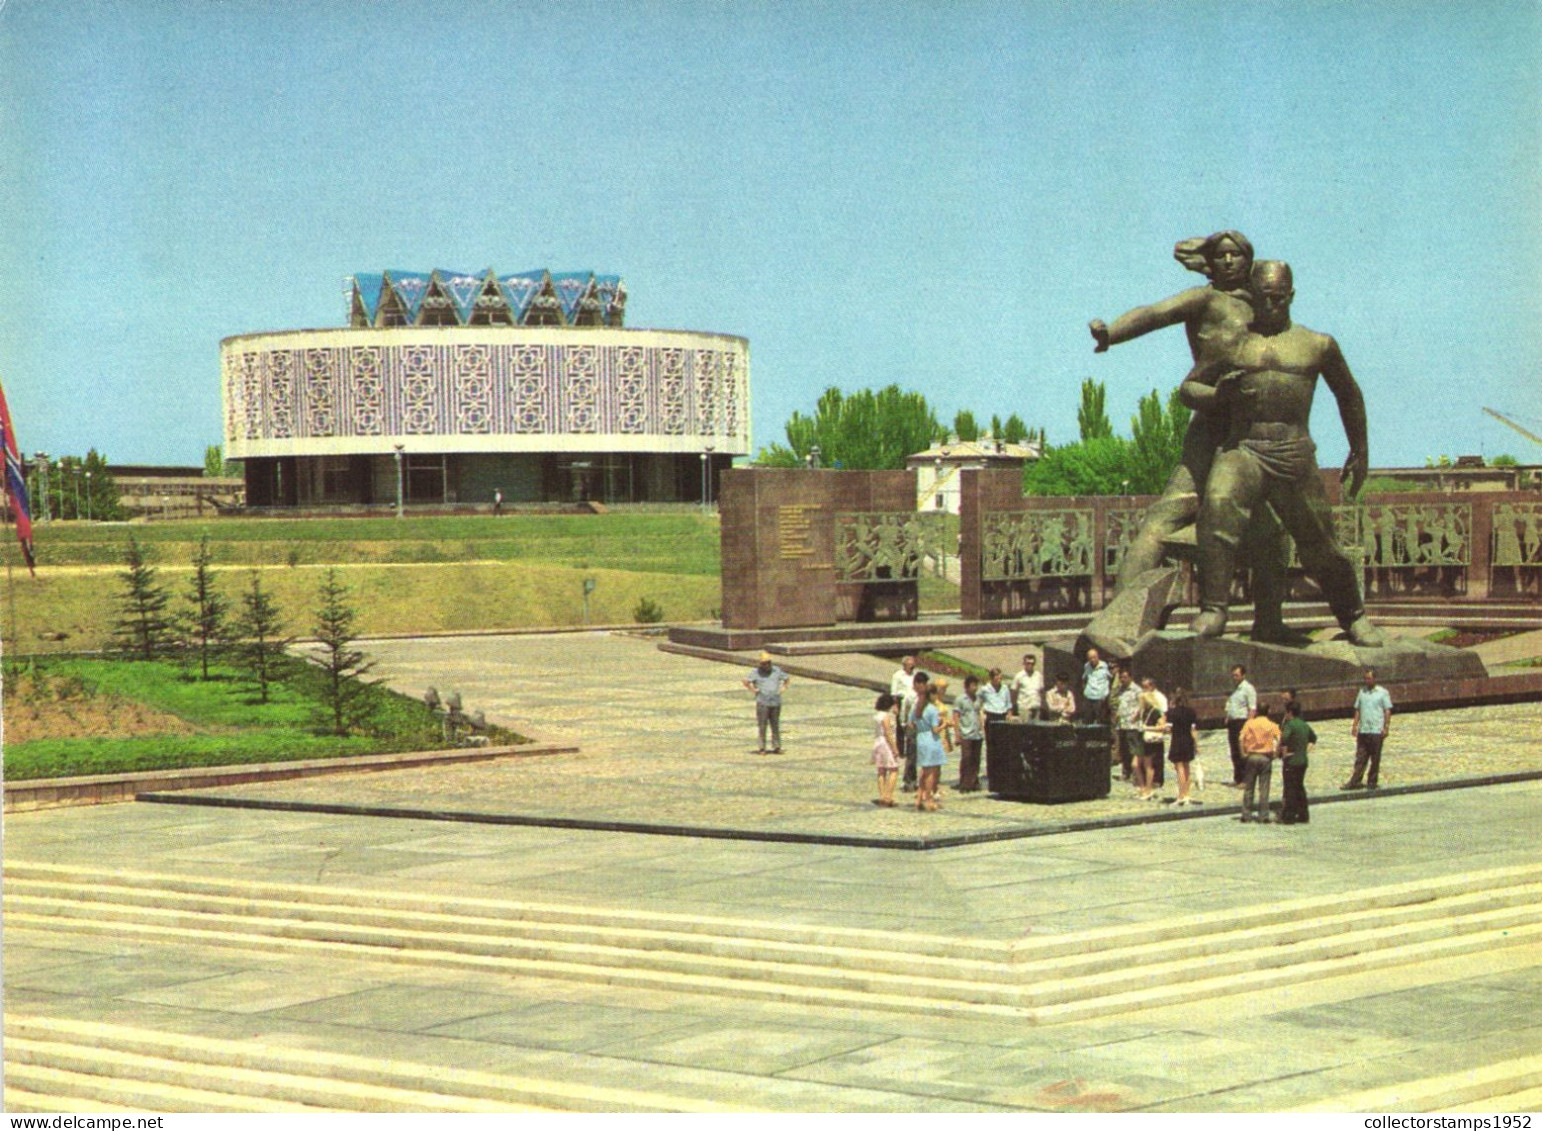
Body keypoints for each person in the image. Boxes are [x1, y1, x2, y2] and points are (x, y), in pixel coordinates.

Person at [1089, 230, 1292, 640]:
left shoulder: (1266, 306)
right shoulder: (1205, 300)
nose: (1229, 261)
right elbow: (1155, 312)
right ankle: (1119, 616)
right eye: (1220, 255)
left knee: (1270, 533)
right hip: (1210, 426)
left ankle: (1269, 621)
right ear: (1209, 263)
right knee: (1166, 515)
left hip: (1255, 434)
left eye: (1237, 254)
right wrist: (1111, 333)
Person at [1182, 260, 1385, 646]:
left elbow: (1349, 394)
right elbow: (1188, 389)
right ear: (1252, 297)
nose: (1271, 305)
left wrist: (1360, 449)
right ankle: (1214, 609)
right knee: (1219, 504)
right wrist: (1217, 395)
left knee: (1320, 542)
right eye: (1263, 298)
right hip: (1245, 448)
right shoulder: (1232, 343)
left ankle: (1354, 617)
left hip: (1294, 453)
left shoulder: (1317, 344)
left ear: (1290, 295)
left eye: (1278, 298)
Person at [1344, 668, 1393, 790]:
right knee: (1360, 757)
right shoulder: (1362, 692)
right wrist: (1355, 725)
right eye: (1365, 678)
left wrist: (1386, 727)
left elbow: (1387, 711)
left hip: (1376, 730)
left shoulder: (1383, 693)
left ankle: (1372, 782)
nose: (1367, 681)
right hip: (1364, 729)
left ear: (1375, 679)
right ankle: (1355, 781)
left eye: (1369, 678)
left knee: (1375, 758)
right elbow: (1358, 709)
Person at [1238, 700, 1283, 822]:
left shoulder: (1249, 723)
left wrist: (1243, 753)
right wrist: (1276, 753)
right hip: (1265, 757)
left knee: (1249, 787)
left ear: (1257, 711)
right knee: (1264, 788)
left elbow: (1241, 738)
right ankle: (1263, 815)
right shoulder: (1272, 725)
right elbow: (1279, 738)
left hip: (1251, 756)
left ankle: (1246, 814)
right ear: (1268, 711)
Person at [1278, 698, 1317, 823]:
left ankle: (1289, 816)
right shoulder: (1304, 724)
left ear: (1289, 712)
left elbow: (1284, 739)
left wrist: (1283, 754)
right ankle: (1303, 815)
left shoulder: (1290, 725)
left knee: (1290, 788)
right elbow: (1313, 737)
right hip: (1303, 760)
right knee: (1300, 787)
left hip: (1292, 761)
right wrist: (1305, 749)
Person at [743, 652, 790, 754]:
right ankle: (762, 748)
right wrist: (753, 690)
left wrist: (783, 689)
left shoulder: (776, 670)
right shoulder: (756, 672)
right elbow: (746, 681)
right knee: (762, 725)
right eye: (764, 663)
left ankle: (777, 747)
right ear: (760, 664)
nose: (767, 665)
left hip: (775, 702)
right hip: (762, 702)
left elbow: (786, 679)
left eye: (768, 663)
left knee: (775, 725)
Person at [914, 684, 947, 811]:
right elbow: (935, 729)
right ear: (932, 695)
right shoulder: (932, 709)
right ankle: (928, 800)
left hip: (921, 738)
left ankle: (919, 799)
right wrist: (944, 724)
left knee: (924, 771)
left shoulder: (917, 707)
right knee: (930, 773)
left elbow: (911, 723)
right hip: (931, 740)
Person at [1165, 687, 1200, 806]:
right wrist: (1196, 745)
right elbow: (1193, 730)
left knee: (1179, 768)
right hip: (1188, 741)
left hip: (1177, 741)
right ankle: (1187, 794)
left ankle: (1181, 795)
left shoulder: (1172, 713)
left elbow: (1168, 729)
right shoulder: (1191, 712)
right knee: (1187, 767)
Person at [1136, 677, 1169, 802]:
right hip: (1145, 735)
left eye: (1146, 687)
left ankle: (1156, 781)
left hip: (1153, 734)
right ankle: (1147, 784)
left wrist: (1149, 727)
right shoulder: (1144, 700)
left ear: (1152, 686)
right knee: (1144, 762)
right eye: (1143, 687)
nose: (1144, 689)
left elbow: (1163, 716)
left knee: (1156, 760)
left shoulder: (1159, 698)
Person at [1224, 664, 1257, 787]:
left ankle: (1246, 779)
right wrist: (1227, 717)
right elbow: (1231, 704)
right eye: (1233, 675)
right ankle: (1237, 777)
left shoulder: (1248, 688)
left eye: (1237, 675)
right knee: (1234, 751)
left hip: (1242, 722)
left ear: (1243, 675)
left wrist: (1248, 726)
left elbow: (1252, 708)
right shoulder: (1235, 689)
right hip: (1232, 723)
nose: (1234, 677)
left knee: (1243, 751)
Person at [955, 675, 986, 793]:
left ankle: (973, 782)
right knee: (966, 758)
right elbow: (956, 716)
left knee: (976, 759)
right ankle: (964, 783)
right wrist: (957, 733)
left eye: (976, 685)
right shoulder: (961, 699)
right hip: (966, 732)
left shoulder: (978, 699)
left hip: (977, 732)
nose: (975, 688)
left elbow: (979, 714)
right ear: (967, 687)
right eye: (973, 685)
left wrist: (983, 729)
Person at [1113, 666, 1143, 783]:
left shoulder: (1137, 690)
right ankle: (1125, 773)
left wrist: (1136, 717)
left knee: (1133, 750)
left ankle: (1136, 774)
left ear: (1130, 677)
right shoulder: (1121, 689)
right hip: (1122, 724)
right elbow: (1120, 704)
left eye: (1125, 677)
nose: (1122, 679)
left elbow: (1141, 706)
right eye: (1121, 677)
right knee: (1123, 750)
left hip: (1132, 725)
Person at [870, 692, 901, 807]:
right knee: (894, 769)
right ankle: (888, 795)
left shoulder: (877, 715)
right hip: (886, 744)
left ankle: (882, 795)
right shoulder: (886, 717)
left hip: (877, 743)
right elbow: (888, 733)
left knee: (881, 770)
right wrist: (895, 748)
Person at [901, 670, 929, 792]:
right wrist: (904, 724)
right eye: (923, 684)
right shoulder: (910, 696)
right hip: (912, 728)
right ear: (917, 684)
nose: (924, 686)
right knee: (912, 755)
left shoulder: (927, 696)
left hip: (924, 727)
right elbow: (904, 710)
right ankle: (909, 780)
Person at [1080, 647, 1112, 728]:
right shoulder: (1086, 666)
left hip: (1100, 697)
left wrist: (1105, 694)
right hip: (1089, 696)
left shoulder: (1104, 666)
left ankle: (1101, 738)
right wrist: (1085, 691)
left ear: (1098, 657)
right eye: (1090, 658)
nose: (1092, 660)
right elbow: (1084, 679)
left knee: (1101, 720)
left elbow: (1110, 679)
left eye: (1094, 657)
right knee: (1087, 720)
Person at [1010, 653, 1044, 720]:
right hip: (1024, 709)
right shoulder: (1019, 676)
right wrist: (1014, 707)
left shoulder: (1038, 676)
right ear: (1024, 663)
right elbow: (1013, 692)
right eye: (1028, 663)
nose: (1030, 665)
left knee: (1037, 729)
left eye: (1032, 663)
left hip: (1036, 708)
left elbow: (1041, 691)